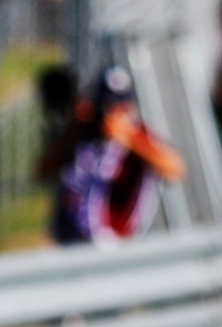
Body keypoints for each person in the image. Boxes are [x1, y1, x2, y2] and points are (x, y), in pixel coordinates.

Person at [38, 65, 185, 245]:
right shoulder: (83, 132)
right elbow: (42, 171)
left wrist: (128, 138)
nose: (111, 114)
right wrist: (73, 132)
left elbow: (175, 168)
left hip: (110, 242)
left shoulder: (138, 135)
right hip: (69, 238)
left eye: (118, 107)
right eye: (106, 106)